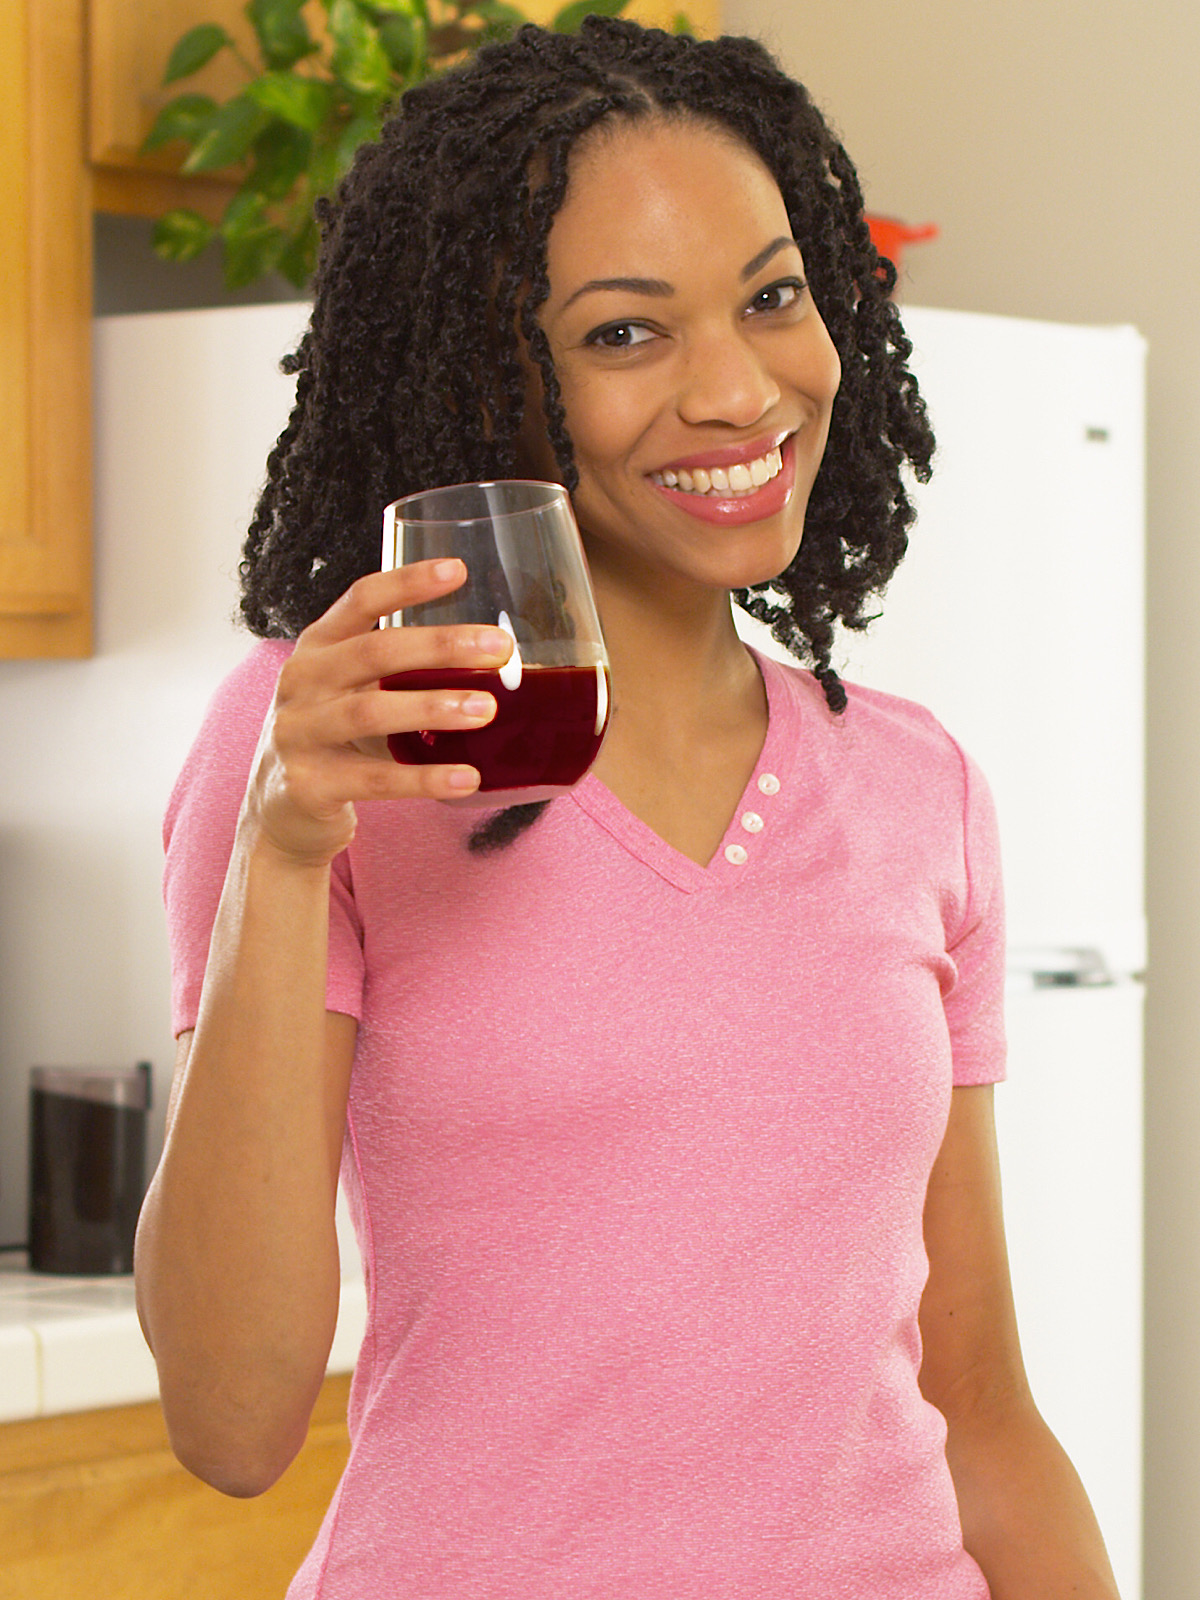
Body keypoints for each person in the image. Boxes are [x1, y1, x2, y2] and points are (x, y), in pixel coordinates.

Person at [134, 17, 1121, 1598]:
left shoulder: (915, 788)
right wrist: (282, 845)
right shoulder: (328, 750)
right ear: (485, 370)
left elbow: (981, 1408)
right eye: (622, 334)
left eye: (773, 296)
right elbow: (234, 1420)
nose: (737, 389)